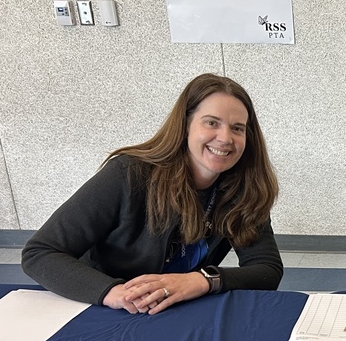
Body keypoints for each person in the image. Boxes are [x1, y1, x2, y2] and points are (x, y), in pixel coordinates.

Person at [22, 73, 283, 314]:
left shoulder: (244, 187)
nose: (225, 138)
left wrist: (203, 280)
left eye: (237, 128)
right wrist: (113, 293)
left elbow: (267, 270)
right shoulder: (128, 174)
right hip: (111, 310)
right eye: (212, 123)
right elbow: (40, 252)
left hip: (178, 310)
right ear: (186, 125)